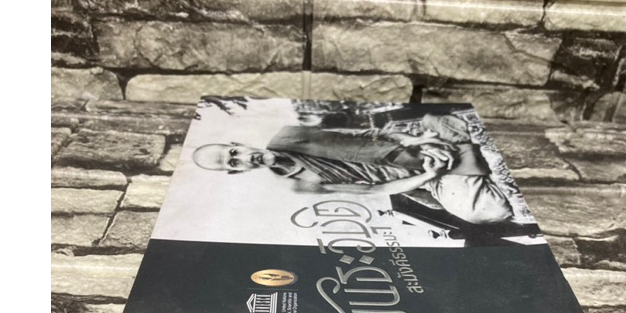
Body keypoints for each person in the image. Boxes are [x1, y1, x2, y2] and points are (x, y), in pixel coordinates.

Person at [192, 115, 516, 225]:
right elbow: (376, 189)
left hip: (410, 151)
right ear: (237, 173)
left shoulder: (287, 135)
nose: (244, 158)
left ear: (238, 143)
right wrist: (428, 177)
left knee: (442, 128)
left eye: (234, 152)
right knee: (484, 212)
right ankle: (465, 159)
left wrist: (416, 141)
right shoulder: (298, 185)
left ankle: (459, 148)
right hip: (423, 180)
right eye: (234, 163)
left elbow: (364, 135)